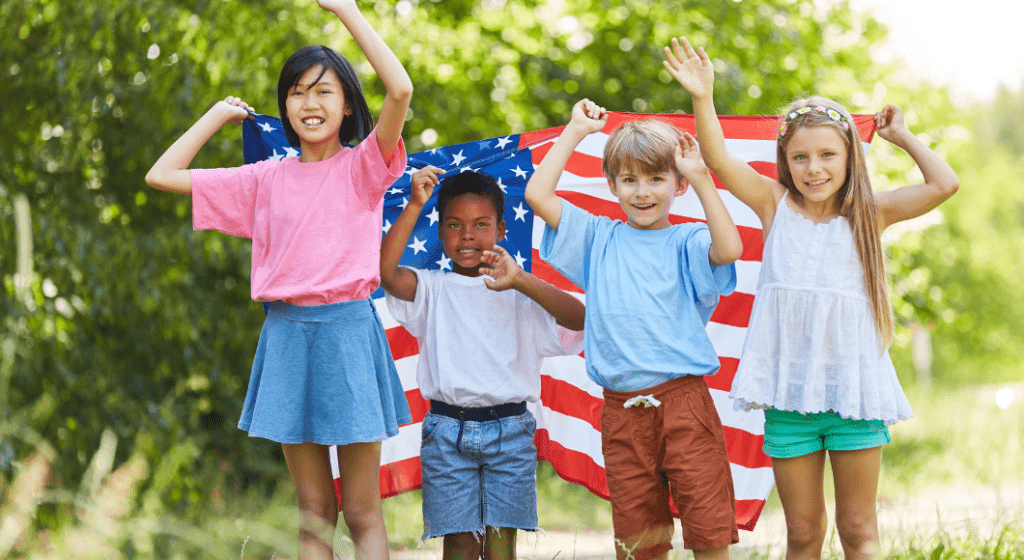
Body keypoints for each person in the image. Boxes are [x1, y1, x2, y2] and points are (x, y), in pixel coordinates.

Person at [663, 37, 960, 560]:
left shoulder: (869, 214)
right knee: (802, 533)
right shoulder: (774, 204)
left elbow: (943, 183)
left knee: (858, 529)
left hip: (854, 396)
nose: (814, 168)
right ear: (785, 162)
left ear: (850, 157)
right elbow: (717, 157)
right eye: (800, 157)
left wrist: (903, 136)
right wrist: (703, 97)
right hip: (789, 398)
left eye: (827, 155)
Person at [144, 2, 413, 559]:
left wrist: (348, 11)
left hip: (348, 337)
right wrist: (218, 115)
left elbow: (402, 90)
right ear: (284, 105)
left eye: (324, 92)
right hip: (287, 338)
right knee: (315, 514)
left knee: (362, 512)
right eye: (297, 92)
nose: (309, 103)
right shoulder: (263, 179)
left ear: (346, 107)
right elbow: (161, 175)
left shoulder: (366, 166)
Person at [525, 99, 744, 560]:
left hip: (683, 403)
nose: (642, 191)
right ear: (613, 185)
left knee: (708, 530)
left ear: (677, 183)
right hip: (622, 412)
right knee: (638, 538)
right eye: (629, 180)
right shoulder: (598, 237)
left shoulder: (688, 240)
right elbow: (538, 197)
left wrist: (704, 177)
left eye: (656, 178)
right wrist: (575, 131)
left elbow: (729, 249)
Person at [380, 167, 585, 560]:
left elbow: (579, 318)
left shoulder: (521, 293)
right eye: (455, 225)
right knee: (459, 542)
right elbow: (386, 274)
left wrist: (521, 280)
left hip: (510, 430)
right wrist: (415, 203)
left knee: (500, 544)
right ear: (441, 233)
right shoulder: (432, 289)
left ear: (502, 230)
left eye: (480, 224)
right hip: (446, 432)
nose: (468, 235)